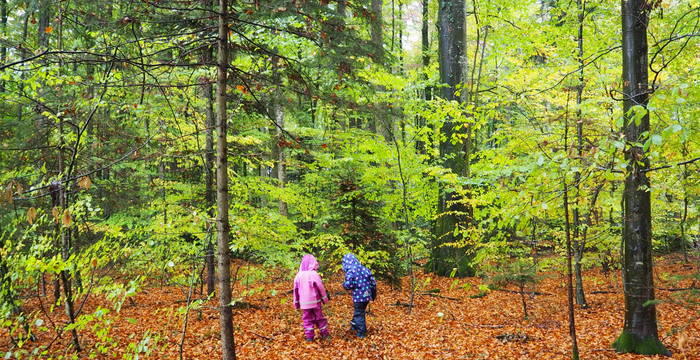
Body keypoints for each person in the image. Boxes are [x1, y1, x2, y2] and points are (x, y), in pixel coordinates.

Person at [293, 254, 330, 341]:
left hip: (304, 303)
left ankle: (309, 337)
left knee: (307, 319)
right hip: (315, 302)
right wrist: (324, 298)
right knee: (319, 317)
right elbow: (320, 287)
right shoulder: (314, 274)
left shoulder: (298, 276)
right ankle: (324, 334)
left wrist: (296, 303)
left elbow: (295, 291)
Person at [341, 253, 377, 338]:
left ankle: (362, 333)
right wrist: (373, 293)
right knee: (359, 311)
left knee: (359, 314)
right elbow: (373, 282)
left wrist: (344, 284)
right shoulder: (365, 269)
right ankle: (354, 326)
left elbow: (349, 285)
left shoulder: (351, 271)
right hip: (367, 296)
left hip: (358, 297)